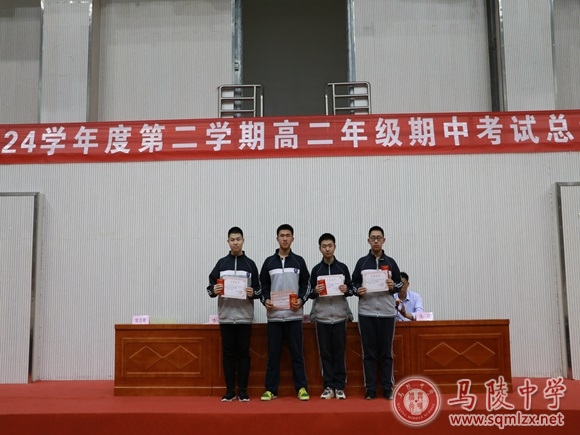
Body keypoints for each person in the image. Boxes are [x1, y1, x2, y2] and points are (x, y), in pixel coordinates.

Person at [207, 227, 261, 402]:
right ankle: (230, 391)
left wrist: (253, 292)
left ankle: (243, 391)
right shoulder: (221, 264)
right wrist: (214, 290)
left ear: (243, 241)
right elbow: (210, 287)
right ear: (228, 242)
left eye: (238, 239)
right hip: (226, 317)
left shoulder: (250, 264)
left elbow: (259, 289)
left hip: (245, 317)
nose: (235, 242)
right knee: (228, 354)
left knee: (244, 354)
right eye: (232, 240)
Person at [259, 224, 311, 401]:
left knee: (297, 354)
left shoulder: (299, 261)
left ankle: (301, 388)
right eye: (282, 236)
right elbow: (262, 286)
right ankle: (271, 390)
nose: (285, 238)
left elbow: (306, 284)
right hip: (274, 318)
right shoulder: (269, 262)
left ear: (292, 239)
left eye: (288, 235)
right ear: (277, 239)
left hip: (294, 316)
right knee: (273, 356)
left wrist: (301, 300)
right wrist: (265, 300)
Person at [352, 226, 403, 400]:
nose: (376, 241)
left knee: (386, 352)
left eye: (378, 238)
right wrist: (358, 290)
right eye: (373, 238)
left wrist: (393, 286)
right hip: (366, 313)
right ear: (368, 241)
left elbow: (399, 284)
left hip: (387, 313)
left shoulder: (391, 262)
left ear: (383, 240)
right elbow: (353, 285)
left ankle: (388, 388)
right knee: (369, 353)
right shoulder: (361, 263)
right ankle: (371, 389)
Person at [309, 233, 355, 400]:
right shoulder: (316, 270)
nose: (327, 249)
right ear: (319, 248)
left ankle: (340, 386)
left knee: (339, 353)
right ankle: (328, 386)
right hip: (322, 317)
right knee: (325, 353)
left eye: (330, 246)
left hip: (340, 317)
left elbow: (352, 289)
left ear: (335, 247)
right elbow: (309, 293)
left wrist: (346, 289)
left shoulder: (342, 268)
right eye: (324, 246)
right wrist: (315, 291)